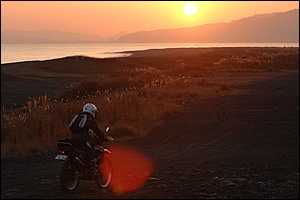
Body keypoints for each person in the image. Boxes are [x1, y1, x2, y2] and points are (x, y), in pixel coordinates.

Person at [68, 103, 109, 173]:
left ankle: (81, 167)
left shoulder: (79, 116)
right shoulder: (89, 118)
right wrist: (103, 137)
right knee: (90, 151)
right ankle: (89, 170)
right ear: (92, 111)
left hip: (73, 139)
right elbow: (96, 130)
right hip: (82, 140)